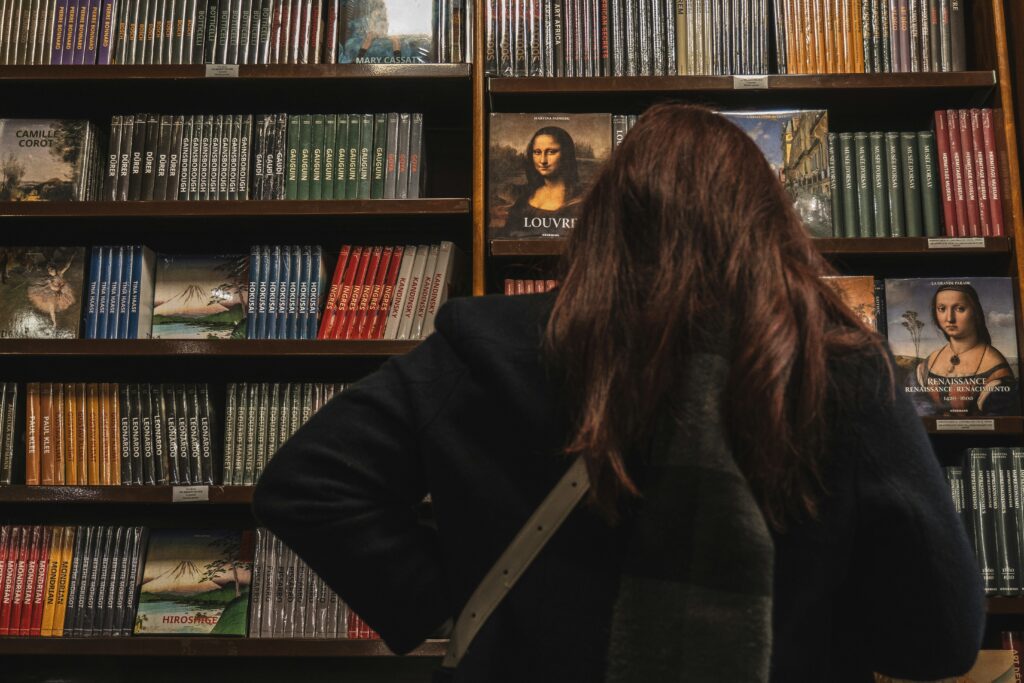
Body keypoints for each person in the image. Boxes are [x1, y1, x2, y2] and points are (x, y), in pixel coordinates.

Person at [252, 104, 984, 681]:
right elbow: (945, 636)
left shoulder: (487, 350)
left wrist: (460, 587)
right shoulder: (840, 373)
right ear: (770, 229)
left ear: (599, 224)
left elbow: (307, 484)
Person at [909, 283, 1018, 417]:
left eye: (960, 309)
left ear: (975, 312)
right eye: (942, 309)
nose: (949, 318)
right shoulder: (927, 364)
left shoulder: (995, 367)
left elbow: (1000, 423)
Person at [501, 126, 584, 237]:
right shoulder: (524, 198)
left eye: (551, 152)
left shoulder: (583, 198)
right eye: (537, 152)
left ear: (566, 154)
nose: (543, 160)